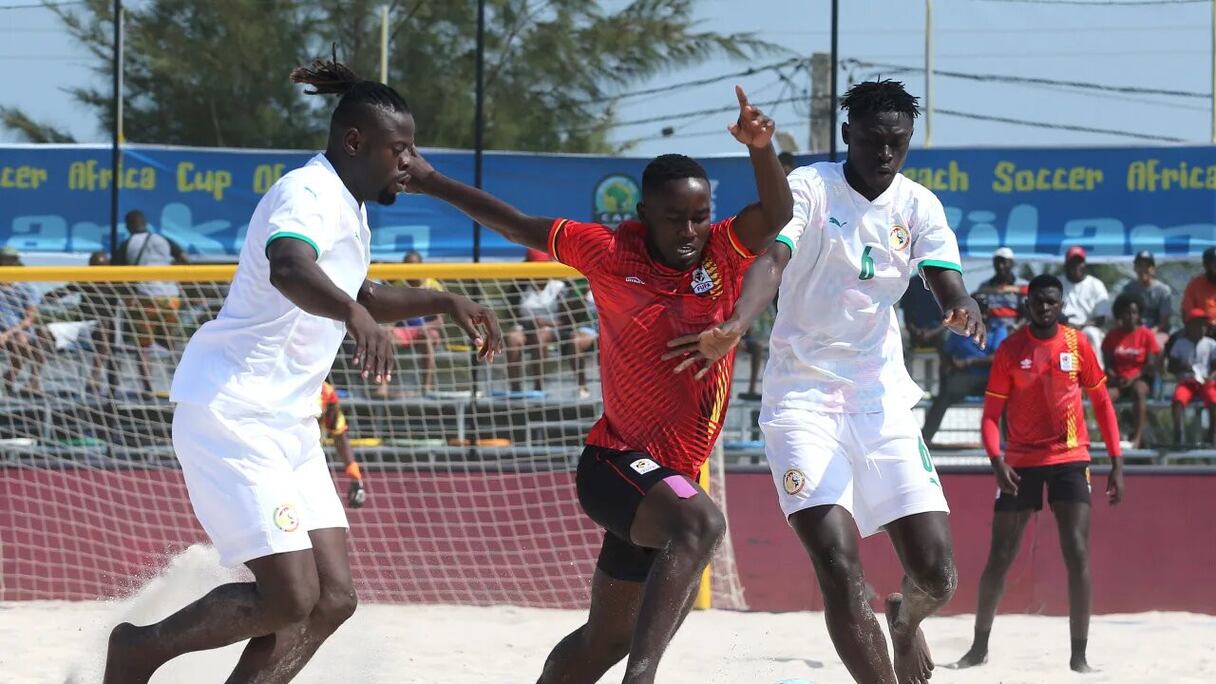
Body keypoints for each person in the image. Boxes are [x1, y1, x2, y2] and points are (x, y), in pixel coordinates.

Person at [102, 55, 501, 684]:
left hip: (289, 424)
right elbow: (289, 266)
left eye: (413, 149)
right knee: (289, 595)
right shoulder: (306, 191)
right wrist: (353, 313)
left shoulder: (349, 206)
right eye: (399, 149)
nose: (409, 163)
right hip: (233, 411)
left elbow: (362, 294)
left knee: (333, 599)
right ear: (354, 142)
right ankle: (137, 649)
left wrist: (445, 301)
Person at [405, 85, 793, 684]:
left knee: (605, 638)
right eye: (674, 218)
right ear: (643, 215)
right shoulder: (610, 251)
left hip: (669, 483)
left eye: (699, 216)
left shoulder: (725, 249)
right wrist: (432, 181)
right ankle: (643, 678)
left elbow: (778, 213)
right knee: (704, 526)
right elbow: (516, 224)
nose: (689, 230)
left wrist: (761, 148)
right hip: (615, 465)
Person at [673, 79, 984, 684]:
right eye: (872, 140)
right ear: (848, 135)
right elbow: (771, 260)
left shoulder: (919, 205)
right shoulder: (811, 187)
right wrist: (738, 322)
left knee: (937, 576)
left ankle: (905, 621)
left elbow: (946, 279)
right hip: (802, 400)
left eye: (898, 141)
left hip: (880, 400)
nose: (885, 152)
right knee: (839, 565)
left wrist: (962, 303)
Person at [952, 274, 1125, 674]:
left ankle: (1079, 656)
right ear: (1027, 304)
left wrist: (1116, 462)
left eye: (1051, 301)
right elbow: (991, 416)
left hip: (1070, 458)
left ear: (1061, 305)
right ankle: (978, 648)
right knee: (1000, 556)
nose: (1045, 307)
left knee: (1076, 551)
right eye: (1038, 301)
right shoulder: (1011, 349)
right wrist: (996, 461)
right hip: (1020, 463)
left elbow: (1102, 403)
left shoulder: (1077, 344)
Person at [114, 209, 190, 395]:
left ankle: (147, 387)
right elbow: (184, 258)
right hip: (170, 298)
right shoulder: (162, 239)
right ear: (145, 223)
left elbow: (116, 274)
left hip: (146, 298)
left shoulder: (128, 243)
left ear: (128, 226)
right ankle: (183, 382)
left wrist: (127, 295)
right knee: (169, 340)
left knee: (143, 346)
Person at [920, 295, 1009, 447]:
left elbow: (998, 358)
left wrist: (969, 362)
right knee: (945, 394)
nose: (980, 315)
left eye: (983, 311)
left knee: (1010, 398)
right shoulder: (960, 330)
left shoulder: (997, 329)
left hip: (989, 379)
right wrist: (950, 364)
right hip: (965, 378)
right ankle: (925, 438)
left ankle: (1010, 442)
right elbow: (947, 353)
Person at [39, 251, 122, 396]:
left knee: (105, 326)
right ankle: (33, 381)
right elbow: (64, 291)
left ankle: (94, 377)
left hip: (106, 330)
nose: (98, 271)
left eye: (102, 267)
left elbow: (131, 297)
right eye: (95, 267)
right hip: (84, 327)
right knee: (45, 331)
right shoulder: (86, 280)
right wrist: (47, 297)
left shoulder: (116, 283)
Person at [376, 249, 445, 397]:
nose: (411, 269)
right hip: (406, 331)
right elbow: (393, 315)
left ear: (420, 266)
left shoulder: (433, 286)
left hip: (427, 331)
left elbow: (439, 320)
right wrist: (389, 328)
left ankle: (426, 387)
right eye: (407, 265)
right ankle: (383, 385)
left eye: (414, 265)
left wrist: (424, 327)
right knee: (385, 336)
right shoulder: (398, 285)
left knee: (427, 337)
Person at [502, 248, 569, 396]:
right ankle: (515, 388)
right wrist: (525, 323)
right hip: (524, 327)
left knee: (539, 337)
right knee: (512, 338)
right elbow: (510, 316)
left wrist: (546, 323)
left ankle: (539, 387)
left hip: (551, 329)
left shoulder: (560, 287)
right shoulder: (518, 287)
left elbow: (568, 321)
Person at [1101, 293, 1160, 449]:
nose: (1131, 316)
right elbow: (1108, 365)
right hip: (1118, 381)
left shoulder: (1146, 335)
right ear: (1120, 314)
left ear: (1139, 314)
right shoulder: (1111, 336)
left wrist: (1133, 378)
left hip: (1140, 378)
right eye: (1127, 312)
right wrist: (1115, 376)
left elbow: (1150, 365)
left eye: (1134, 312)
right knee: (1105, 397)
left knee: (1139, 391)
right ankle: (1116, 435)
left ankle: (1137, 437)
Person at [0, 246, 47, 396]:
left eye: (12, 260)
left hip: (17, 331)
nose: (8, 263)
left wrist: (7, 334)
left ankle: (11, 378)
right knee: (21, 341)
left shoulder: (27, 286)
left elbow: (29, 319)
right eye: (4, 259)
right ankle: (8, 379)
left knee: (24, 341)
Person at [1167, 309, 1216, 446]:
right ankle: (1178, 434)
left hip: (1205, 382)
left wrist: (1211, 377)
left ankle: (1212, 433)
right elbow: (1171, 367)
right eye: (1198, 325)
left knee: (1214, 400)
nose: (1202, 328)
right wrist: (1182, 366)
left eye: (1204, 325)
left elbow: (1214, 367)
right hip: (1187, 381)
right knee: (1178, 400)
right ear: (1189, 326)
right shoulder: (1180, 343)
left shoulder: (1211, 344)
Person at [320, 380, 366, 508]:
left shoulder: (326, 392)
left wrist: (355, 477)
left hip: (308, 464)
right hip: (273, 461)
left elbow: (339, 434)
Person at [1060, 246, 1110, 357]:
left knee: (1091, 333)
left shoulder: (1096, 284)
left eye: (1079, 262)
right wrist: (1067, 325)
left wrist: (1080, 326)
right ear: (1066, 265)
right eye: (1073, 263)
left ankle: (1097, 367)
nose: (1076, 266)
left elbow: (1101, 319)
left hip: (1087, 327)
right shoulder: (1057, 283)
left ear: (1084, 264)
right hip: (1062, 326)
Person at [1120, 250, 1172, 346]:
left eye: (1147, 266)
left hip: (1156, 332)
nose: (1143, 269)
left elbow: (1164, 321)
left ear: (1153, 269)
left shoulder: (1163, 290)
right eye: (1140, 265)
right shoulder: (1128, 289)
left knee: (1157, 346)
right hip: (1132, 331)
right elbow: (1122, 316)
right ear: (1135, 268)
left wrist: (1149, 333)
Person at [977, 246, 1025, 329]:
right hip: (990, 331)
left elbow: (1027, 315)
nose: (1000, 266)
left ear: (1011, 263)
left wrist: (1015, 328)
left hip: (1015, 330)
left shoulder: (1022, 285)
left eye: (1004, 262)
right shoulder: (984, 286)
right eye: (997, 262)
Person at [1180, 246, 1216, 328]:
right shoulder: (1195, 285)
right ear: (1206, 266)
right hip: (1203, 330)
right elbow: (1187, 314)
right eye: (1215, 264)